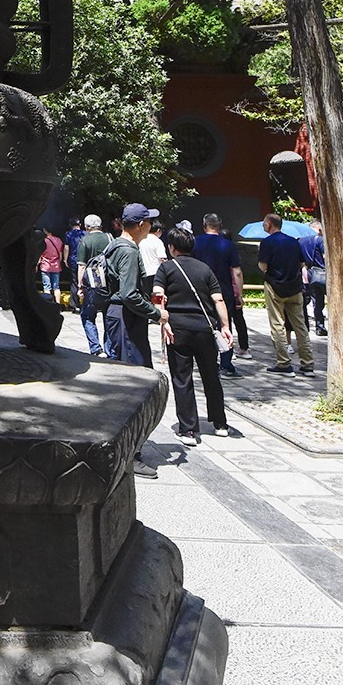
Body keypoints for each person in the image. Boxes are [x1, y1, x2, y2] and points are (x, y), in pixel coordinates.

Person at [154, 225, 231, 444]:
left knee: (182, 377)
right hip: (205, 329)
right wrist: (225, 327)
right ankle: (220, 423)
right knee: (211, 376)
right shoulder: (205, 269)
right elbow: (218, 299)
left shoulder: (166, 269)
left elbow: (158, 295)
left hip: (178, 329)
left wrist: (163, 319)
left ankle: (188, 429)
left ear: (171, 247)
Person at [104, 202, 164, 479]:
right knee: (133, 383)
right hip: (127, 319)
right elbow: (129, 293)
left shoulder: (114, 245)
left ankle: (121, 447)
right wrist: (155, 313)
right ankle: (131, 454)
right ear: (141, 225)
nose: (151, 226)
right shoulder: (128, 251)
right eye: (149, 222)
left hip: (118, 316)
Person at [258, 213, 313, 374]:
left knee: (277, 324)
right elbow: (302, 263)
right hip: (295, 287)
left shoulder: (267, 242)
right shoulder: (293, 242)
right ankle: (307, 363)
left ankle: (284, 363)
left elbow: (263, 266)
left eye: (264, 223)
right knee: (300, 326)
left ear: (270, 224)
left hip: (275, 286)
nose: (263, 226)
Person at [193, 214, 247, 371]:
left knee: (204, 325)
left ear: (204, 225)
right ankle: (226, 362)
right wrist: (239, 294)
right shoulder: (228, 245)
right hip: (223, 291)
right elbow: (237, 271)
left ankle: (207, 360)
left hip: (201, 289)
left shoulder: (195, 242)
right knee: (225, 324)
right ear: (220, 225)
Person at [76, 213, 111, 357]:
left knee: (87, 316)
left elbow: (82, 267)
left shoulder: (84, 241)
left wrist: (80, 287)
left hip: (92, 285)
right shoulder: (110, 238)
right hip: (109, 284)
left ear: (86, 227)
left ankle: (96, 348)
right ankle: (110, 350)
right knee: (108, 317)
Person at [300, 218, 327, 336]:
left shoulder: (301, 241)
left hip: (310, 274)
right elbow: (326, 256)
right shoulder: (320, 240)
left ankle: (319, 326)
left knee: (317, 303)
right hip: (323, 273)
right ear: (319, 229)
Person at [138, 219, 167, 299]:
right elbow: (162, 259)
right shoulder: (158, 241)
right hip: (156, 273)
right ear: (158, 230)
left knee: (146, 297)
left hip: (143, 273)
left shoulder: (141, 240)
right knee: (157, 298)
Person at [37, 226, 64, 302]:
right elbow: (60, 255)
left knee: (46, 287)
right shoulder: (58, 240)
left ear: (45, 231)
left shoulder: (44, 241)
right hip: (56, 266)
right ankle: (57, 305)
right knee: (56, 287)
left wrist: (37, 264)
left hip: (45, 266)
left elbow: (40, 255)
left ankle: (48, 303)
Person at [63, 217, 84, 309]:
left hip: (73, 259)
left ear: (71, 225)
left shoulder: (68, 234)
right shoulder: (85, 234)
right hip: (84, 260)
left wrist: (65, 259)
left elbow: (66, 248)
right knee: (84, 281)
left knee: (74, 281)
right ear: (80, 225)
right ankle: (85, 302)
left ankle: (74, 303)